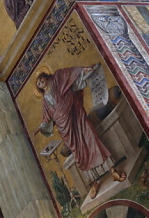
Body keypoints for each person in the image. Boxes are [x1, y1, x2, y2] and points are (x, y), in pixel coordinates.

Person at [32, 64, 125, 199]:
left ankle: (113, 171)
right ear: (39, 87)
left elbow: (71, 73)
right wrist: (40, 127)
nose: (40, 83)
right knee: (79, 154)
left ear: (45, 77)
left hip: (76, 114)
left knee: (92, 139)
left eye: (40, 79)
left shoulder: (57, 77)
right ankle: (94, 183)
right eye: (38, 83)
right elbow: (47, 118)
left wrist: (84, 70)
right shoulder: (45, 101)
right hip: (65, 128)